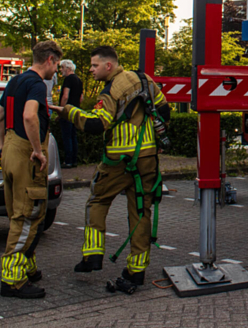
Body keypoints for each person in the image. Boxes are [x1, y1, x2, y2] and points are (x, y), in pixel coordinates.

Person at [50, 45, 169, 292]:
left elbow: (97, 125)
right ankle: (136, 272)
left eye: (94, 65)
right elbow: (164, 110)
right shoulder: (144, 79)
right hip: (147, 159)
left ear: (109, 66)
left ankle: (93, 255)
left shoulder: (110, 91)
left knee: (97, 201)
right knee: (141, 212)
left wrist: (68, 112)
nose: (91, 70)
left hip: (117, 162)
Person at [0, 40, 62, 299]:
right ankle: (13, 279)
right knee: (28, 214)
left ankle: (27, 266)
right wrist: (37, 150)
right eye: (56, 65)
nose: (56, 71)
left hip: (9, 149)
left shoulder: (15, 81)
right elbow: (29, 116)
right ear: (50, 60)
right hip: (25, 155)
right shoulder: (36, 84)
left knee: (17, 211)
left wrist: (3, 146)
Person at [57, 60, 83, 168]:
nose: (61, 70)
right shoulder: (79, 80)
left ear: (68, 68)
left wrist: (62, 111)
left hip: (67, 112)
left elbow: (65, 96)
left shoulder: (68, 79)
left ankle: (68, 161)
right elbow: (81, 97)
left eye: (62, 68)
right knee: (73, 136)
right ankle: (74, 160)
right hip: (75, 111)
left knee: (66, 136)